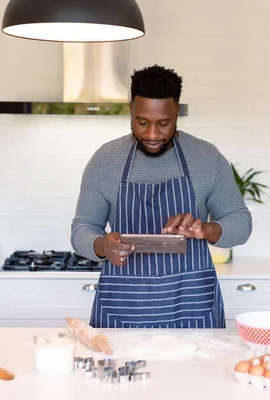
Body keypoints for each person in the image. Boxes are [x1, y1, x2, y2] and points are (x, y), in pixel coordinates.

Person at [70, 65, 252, 329]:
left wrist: (207, 228)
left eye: (163, 123)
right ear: (131, 108)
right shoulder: (106, 160)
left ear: (177, 111)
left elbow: (241, 223)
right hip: (123, 310)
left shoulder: (206, 157)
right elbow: (82, 229)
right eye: (142, 122)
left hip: (193, 309)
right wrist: (103, 246)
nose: (152, 134)